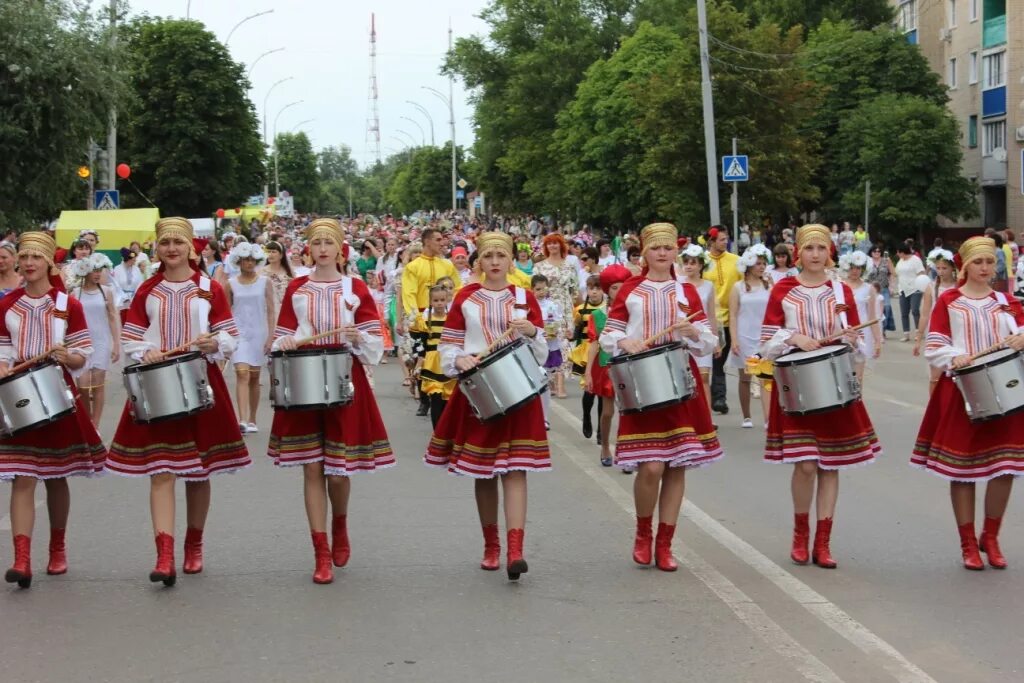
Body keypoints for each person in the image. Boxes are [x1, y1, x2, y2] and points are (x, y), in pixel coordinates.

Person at [106, 218, 250, 587]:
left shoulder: (208, 289)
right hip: (157, 383)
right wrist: (146, 350)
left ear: (192, 247)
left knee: (198, 473)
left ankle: (194, 543)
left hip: (201, 381)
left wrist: (214, 343)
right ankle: (164, 554)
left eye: (178, 242)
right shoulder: (147, 290)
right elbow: (132, 337)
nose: (171, 248)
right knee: (162, 469)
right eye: (165, 242)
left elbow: (230, 335)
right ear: (156, 247)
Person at [269, 218, 395, 585]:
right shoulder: (297, 287)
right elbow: (283, 334)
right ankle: (320, 551)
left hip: (344, 377)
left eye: (329, 242)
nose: (322, 248)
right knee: (311, 467)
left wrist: (359, 335)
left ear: (341, 249)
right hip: (304, 377)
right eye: (316, 242)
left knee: (337, 472)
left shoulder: (354, 287)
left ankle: (340, 522)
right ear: (308, 248)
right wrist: (287, 341)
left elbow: (374, 338)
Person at [424, 231, 549, 581]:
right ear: (480, 260)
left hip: (519, 392)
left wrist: (533, 332)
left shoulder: (525, 297)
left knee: (515, 468)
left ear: (511, 260)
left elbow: (543, 354)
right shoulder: (465, 297)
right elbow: (449, 346)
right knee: (484, 471)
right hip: (479, 391)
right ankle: (491, 544)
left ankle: (516, 550)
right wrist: (460, 359)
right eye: (489, 256)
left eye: (501, 255)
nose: (495, 262)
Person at [600, 223, 722, 571]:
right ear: (645, 253)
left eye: (669, 247)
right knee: (651, 467)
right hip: (643, 383)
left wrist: (692, 331)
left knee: (676, 466)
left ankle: (666, 543)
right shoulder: (631, 290)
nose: (663, 253)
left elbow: (707, 341)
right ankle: (643, 532)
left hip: (681, 383)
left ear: (676, 252)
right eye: (656, 248)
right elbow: (612, 331)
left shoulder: (685, 290)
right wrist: (624, 341)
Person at [759, 224, 881, 570]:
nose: (815, 254)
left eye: (821, 248)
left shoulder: (842, 292)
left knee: (831, 465)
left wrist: (853, 340)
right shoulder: (783, 289)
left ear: (831, 252)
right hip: (798, 388)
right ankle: (800, 534)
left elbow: (860, 344)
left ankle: (823, 543)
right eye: (809, 248)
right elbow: (767, 340)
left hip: (835, 386)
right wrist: (795, 338)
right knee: (806, 464)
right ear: (799, 251)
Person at [0, 232, 106, 588]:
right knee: (22, 476)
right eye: (24, 257)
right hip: (18, 396)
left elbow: (82, 355)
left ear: (49, 263)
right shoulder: (7, 305)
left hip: (57, 394)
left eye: (36, 257)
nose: (28, 263)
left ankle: (57, 547)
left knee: (56, 475)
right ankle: (22, 559)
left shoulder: (66, 304)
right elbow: (1, 351)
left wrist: (68, 355)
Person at [912, 236, 1024, 570]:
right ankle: (967, 543)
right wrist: (955, 356)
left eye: (989, 262)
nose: (985, 268)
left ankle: (990, 536)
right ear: (965, 265)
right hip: (961, 391)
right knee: (963, 471)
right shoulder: (948, 300)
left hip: (1005, 391)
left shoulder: (1007, 301)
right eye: (978, 262)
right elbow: (935, 344)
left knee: (1004, 468)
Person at [225, 242, 274, 434]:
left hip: (258, 332)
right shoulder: (231, 283)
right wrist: (225, 333)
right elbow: (224, 311)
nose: (249, 263)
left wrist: (271, 336)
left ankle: (253, 418)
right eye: (246, 260)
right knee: (242, 373)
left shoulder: (265, 282)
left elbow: (271, 310)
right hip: (239, 333)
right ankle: (242, 419)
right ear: (239, 261)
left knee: (254, 376)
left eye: (253, 260)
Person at [584, 265, 630, 466]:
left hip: (629, 366)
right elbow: (594, 343)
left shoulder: (634, 311)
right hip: (606, 367)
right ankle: (604, 445)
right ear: (606, 290)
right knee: (608, 411)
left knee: (628, 411)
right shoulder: (598, 315)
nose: (618, 291)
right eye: (613, 288)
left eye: (622, 287)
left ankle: (624, 451)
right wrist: (588, 373)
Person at [69, 252, 120, 427]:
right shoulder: (75, 293)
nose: (98, 274)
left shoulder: (107, 292)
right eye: (94, 270)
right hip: (81, 344)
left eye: (100, 270)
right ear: (85, 271)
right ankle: (87, 421)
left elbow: (113, 318)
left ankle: (95, 425)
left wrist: (116, 344)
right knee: (82, 386)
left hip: (101, 342)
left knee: (98, 386)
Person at [727, 245, 773, 428]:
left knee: (765, 378)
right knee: (745, 378)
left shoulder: (768, 285)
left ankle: (768, 418)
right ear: (748, 265)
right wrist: (734, 339)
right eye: (758, 263)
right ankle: (747, 416)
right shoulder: (738, 288)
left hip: (764, 337)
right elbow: (733, 314)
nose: (762, 267)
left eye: (764, 263)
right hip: (744, 336)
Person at [704, 226, 742, 415]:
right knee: (711, 361)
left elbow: (743, 285)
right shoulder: (702, 262)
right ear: (711, 242)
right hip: (708, 320)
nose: (724, 242)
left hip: (729, 319)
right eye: (721, 239)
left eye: (726, 239)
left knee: (719, 360)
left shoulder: (736, 261)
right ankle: (718, 397)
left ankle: (718, 396)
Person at [399, 228, 461, 336]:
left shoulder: (447, 265)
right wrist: (418, 319)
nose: (442, 243)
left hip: (444, 321)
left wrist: (453, 313)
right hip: (420, 324)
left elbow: (458, 289)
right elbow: (409, 295)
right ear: (427, 242)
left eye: (442, 240)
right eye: (438, 240)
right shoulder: (412, 267)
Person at [678, 244, 717, 414]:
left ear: (701, 265)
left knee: (704, 377)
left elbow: (711, 315)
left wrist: (715, 341)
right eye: (686, 262)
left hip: (701, 333)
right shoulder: (678, 285)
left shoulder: (708, 286)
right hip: (684, 336)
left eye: (693, 263)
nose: (689, 266)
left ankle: (707, 415)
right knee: (687, 378)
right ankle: (693, 414)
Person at [912, 247, 957, 394]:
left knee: (955, 374)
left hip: (955, 331)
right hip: (936, 333)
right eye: (938, 268)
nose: (941, 271)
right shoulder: (931, 287)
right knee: (935, 377)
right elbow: (925, 314)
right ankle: (934, 407)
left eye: (945, 268)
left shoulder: (959, 287)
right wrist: (918, 337)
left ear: (952, 268)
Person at [840, 251, 882, 388]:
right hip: (842, 332)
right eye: (852, 267)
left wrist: (877, 340)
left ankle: (858, 406)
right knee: (842, 376)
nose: (855, 271)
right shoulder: (839, 286)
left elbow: (872, 317)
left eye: (858, 268)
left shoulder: (869, 289)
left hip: (862, 334)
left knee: (857, 379)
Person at [570, 276, 605, 438]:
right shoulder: (579, 310)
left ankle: (601, 428)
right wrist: (570, 335)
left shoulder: (607, 308)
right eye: (591, 288)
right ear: (587, 290)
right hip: (586, 352)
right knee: (589, 390)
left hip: (603, 352)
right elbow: (576, 332)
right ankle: (586, 418)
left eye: (598, 288)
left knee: (603, 393)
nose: (595, 292)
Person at [417, 284, 456, 427]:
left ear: (447, 300)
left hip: (447, 360)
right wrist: (418, 365)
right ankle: (437, 433)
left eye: (442, 300)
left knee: (447, 401)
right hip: (432, 363)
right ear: (430, 302)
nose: (439, 303)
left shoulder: (452, 319)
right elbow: (422, 346)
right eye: (436, 300)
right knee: (436, 398)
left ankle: (445, 433)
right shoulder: (425, 321)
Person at [533, 273, 567, 415]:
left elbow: (558, 320)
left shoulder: (553, 305)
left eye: (543, 289)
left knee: (550, 366)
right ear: (532, 290)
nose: (541, 292)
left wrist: (555, 329)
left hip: (550, 339)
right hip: (537, 341)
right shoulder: (530, 306)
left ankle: (552, 385)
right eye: (538, 289)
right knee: (539, 367)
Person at [895, 243, 926, 342]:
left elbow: (921, 273)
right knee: (904, 312)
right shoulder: (900, 261)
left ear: (902, 252)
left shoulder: (915, 260)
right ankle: (906, 334)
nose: (897, 254)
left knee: (915, 310)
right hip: (903, 289)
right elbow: (896, 274)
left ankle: (918, 332)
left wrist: (922, 286)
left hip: (915, 288)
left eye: (898, 252)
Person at [867, 245, 895, 336]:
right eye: (875, 251)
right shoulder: (868, 261)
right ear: (871, 252)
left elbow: (891, 274)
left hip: (884, 288)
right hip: (871, 289)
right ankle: (874, 329)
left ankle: (883, 329)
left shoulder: (886, 260)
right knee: (873, 309)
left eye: (879, 251)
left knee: (886, 308)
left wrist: (891, 286)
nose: (877, 253)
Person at [262, 240, 294, 311]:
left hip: (286, 308)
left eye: (273, 252)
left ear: (281, 255)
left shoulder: (288, 272)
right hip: (268, 309)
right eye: (268, 252)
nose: (270, 254)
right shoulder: (262, 272)